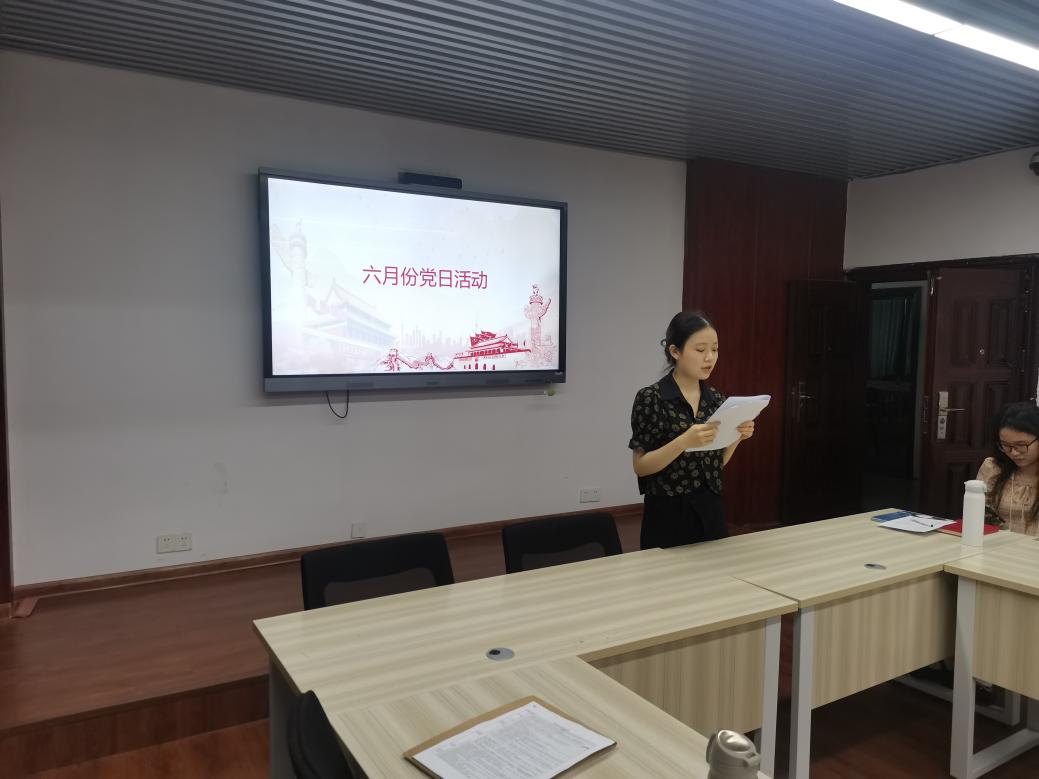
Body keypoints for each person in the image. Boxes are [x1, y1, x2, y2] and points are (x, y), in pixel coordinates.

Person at [629, 311, 755, 549]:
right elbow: (641, 466)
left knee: (715, 569)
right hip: (668, 512)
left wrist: (737, 437)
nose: (710, 358)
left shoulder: (716, 399)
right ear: (675, 351)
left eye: (715, 349)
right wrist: (683, 442)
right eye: (700, 350)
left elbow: (715, 464)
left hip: (711, 508)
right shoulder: (651, 398)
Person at [977, 401, 1039, 536]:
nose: (1014, 453)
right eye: (1005, 445)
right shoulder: (993, 468)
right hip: (999, 545)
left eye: (1021, 445)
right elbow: (979, 515)